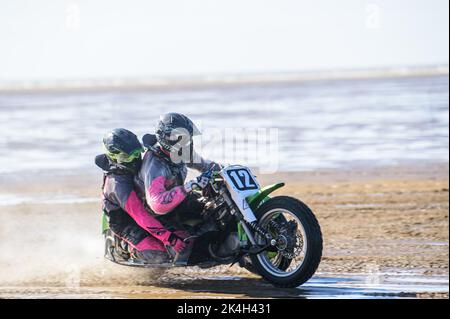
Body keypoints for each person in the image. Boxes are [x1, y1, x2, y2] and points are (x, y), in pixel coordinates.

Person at [136, 113, 222, 264]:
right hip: (156, 214)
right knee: (185, 246)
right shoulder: (155, 165)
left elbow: (205, 165)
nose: (185, 141)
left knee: (217, 210)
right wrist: (190, 186)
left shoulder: (180, 151)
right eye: (180, 137)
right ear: (166, 137)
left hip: (178, 202)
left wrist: (225, 169)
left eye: (187, 137)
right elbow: (157, 204)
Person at [96, 128, 188, 264]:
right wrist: (169, 238)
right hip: (127, 222)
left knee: (188, 234)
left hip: (149, 209)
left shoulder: (146, 162)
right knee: (159, 255)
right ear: (113, 157)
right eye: (127, 157)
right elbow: (140, 216)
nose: (134, 160)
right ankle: (125, 247)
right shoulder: (118, 185)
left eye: (136, 154)